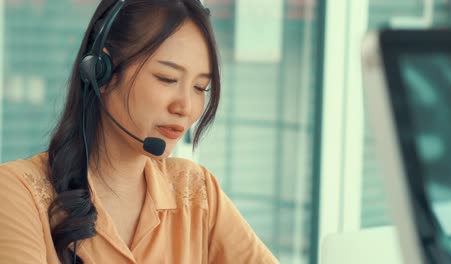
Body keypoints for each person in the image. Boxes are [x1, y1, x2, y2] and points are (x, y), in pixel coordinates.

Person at [0, 0, 280, 263]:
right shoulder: (18, 192)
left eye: (200, 88)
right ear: (102, 72)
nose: (185, 106)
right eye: (167, 78)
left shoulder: (197, 191)